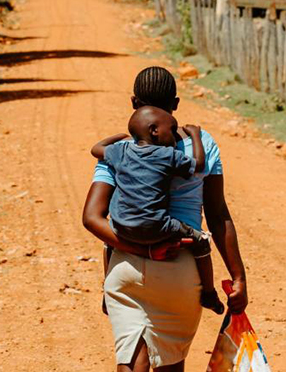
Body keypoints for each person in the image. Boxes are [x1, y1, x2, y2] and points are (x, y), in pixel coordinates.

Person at [82, 66, 247, 372]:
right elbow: (217, 213)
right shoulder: (203, 144)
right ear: (176, 104)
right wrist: (238, 277)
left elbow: (92, 218)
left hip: (124, 265)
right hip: (180, 270)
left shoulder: (119, 150)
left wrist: (142, 251)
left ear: (134, 102)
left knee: (130, 358)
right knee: (168, 362)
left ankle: (108, 293)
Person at [90, 106, 224, 314]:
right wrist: (195, 135)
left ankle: (108, 292)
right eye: (172, 130)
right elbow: (198, 164)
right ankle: (209, 293)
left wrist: (118, 137)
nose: (175, 135)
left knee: (109, 243)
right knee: (200, 242)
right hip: (156, 226)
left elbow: (96, 149)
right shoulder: (166, 155)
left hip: (122, 227)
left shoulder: (121, 151)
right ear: (154, 131)